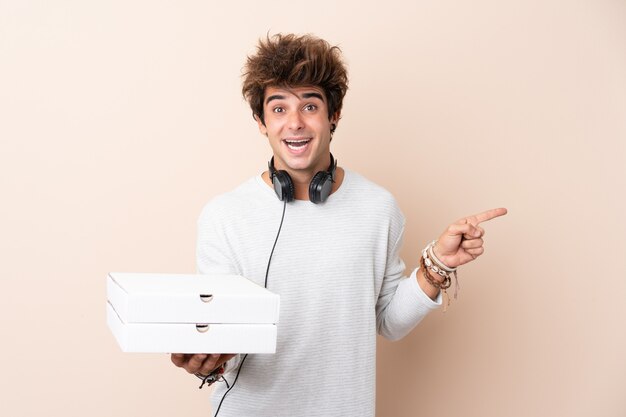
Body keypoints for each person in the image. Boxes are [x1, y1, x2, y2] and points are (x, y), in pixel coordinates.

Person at [171, 33, 507, 417]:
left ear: (334, 113)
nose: (294, 123)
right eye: (278, 109)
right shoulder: (223, 216)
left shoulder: (378, 207)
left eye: (309, 106)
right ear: (261, 122)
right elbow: (221, 341)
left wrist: (438, 265)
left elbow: (390, 323)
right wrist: (208, 360)